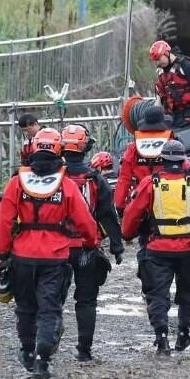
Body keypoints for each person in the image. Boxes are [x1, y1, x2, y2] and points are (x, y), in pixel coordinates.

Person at [0, 128, 99, 379]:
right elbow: (84, 220)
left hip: (22, 255)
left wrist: (2, 251)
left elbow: (3, 220)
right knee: (49, 308)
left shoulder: (17, 182)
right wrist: (91, 242)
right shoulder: (66, 185)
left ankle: (28, 352)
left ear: (33, 149)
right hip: (55, 256)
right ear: (58, 150)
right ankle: (43, 359)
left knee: (25, 308)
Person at [121, 140, 190, 355]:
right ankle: (183, 335)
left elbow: (132, 213)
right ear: (183, 159)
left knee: (157, 295)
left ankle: (162, 338)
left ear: (162, 160)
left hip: (157, 249)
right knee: (187, 294)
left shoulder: (150, 182)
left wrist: (126, 235)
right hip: (188, 250)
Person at [59, 125, 125, 362]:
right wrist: (117, 245)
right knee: (86, 301)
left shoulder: (52, 178)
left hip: (56, 249)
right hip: (87, 247)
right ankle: (84, 351)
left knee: (52, 298)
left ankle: (48, 338)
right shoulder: (95, 179)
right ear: (86, 148)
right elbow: (108, 214)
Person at [113, 105, 173, 215]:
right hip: (169, 197)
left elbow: (124, 178)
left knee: (131, 229)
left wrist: (120, 206)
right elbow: (185, 170)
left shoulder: (133, 148)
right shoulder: (172, 142)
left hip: (141, 199)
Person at [150, 40, 190, 127]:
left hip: (189, 113)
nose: (158, 63)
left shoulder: (186, 66)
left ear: (167, 53)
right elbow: (160, 95)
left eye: (159, 59)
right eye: (156, 60)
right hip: (172, 115)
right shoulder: (161, 72)